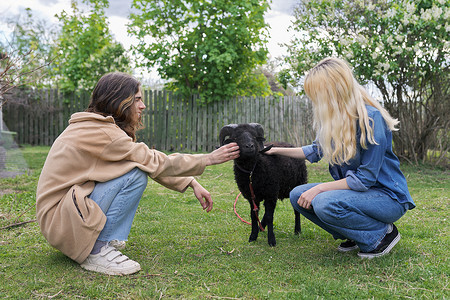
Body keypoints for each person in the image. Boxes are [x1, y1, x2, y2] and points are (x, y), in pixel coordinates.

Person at [36, 72, 240, 275]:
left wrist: (191, 182)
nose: (142, 106)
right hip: (62, 221)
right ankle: (96, 249)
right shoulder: (104, 134)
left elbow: (146, 161)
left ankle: (94, 240)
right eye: (137, 100)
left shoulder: (95, 127)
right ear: (118, 101)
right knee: (134, 175)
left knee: (134, 168)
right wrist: (208, 159)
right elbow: (151, 161)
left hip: (62, 219)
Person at [266, 57, 415, 258]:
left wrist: (319, 188)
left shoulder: (371, 119)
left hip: (387, 198)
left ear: (334, 91)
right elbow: (313, 151)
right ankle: (354, 233)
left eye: (316, 94)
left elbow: (365, 179)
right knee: (297, 195)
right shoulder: (336, 122)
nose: (314, 101)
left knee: (323, 202)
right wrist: (274, 150)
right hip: (359, 196)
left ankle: (381, 236)